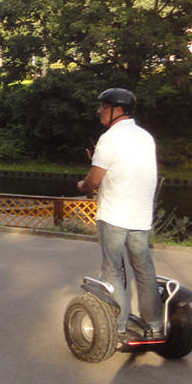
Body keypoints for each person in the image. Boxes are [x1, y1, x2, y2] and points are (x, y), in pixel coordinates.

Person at [77, 88, 162, 340]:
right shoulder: (145, 136)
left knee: (112, 269)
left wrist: (81, 186)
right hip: (140, 215)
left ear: (117, 110)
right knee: (143, 269)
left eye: (103, 107)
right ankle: (154, 325)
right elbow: (127, 169)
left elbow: (93, 181)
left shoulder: (110, 138)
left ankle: (119, 325)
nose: (99, 111)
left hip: (114, 214)